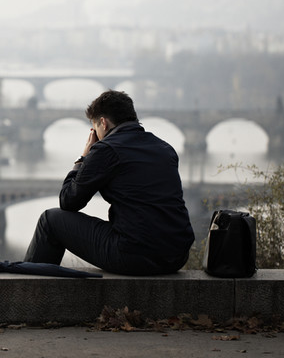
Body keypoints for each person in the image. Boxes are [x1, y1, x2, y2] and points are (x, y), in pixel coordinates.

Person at [23, 89, 194, 275]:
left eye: (95, 127)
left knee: (50, 220)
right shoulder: (165, 149)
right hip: (176, 256)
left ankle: (27, 290)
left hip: (134, 255)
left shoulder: (107, 149)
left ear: (103, 123)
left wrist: (83, 157)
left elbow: (69, 201)